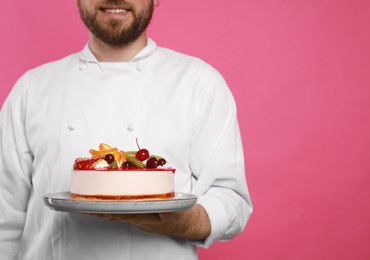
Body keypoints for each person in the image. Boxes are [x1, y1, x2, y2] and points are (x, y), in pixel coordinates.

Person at [0, 0, 252, 259]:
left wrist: (178, 221)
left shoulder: (199, 83)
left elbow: (231, 199)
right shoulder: (32, 90)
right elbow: (3, 216)